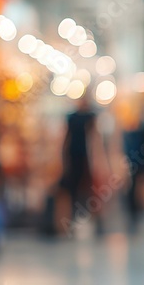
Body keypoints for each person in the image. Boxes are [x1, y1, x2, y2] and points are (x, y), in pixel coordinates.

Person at [59, 97, 106, 235]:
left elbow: (95, 138)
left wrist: (98, 159)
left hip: (87, 159)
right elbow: (66, 138)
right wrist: (63, 159)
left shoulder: (90, 117)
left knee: (92, 190)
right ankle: (72, 220)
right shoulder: (72, 118)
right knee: (74, 190)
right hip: (74, 157)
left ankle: (96, 222)